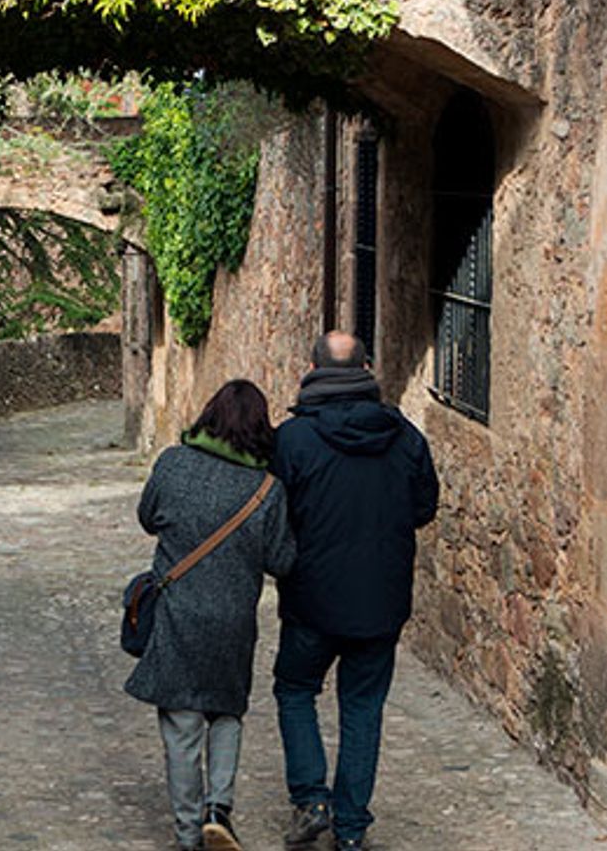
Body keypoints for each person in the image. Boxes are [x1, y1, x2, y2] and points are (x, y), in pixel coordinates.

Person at [270, 333, 439, 851]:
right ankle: (349, 828)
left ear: (311, 369)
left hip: (311, 600)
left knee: (295, 689)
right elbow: (423, 509)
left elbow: (275, 516)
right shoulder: (406, 437)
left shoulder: (292, 440)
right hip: (381, 602)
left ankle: (311, 797)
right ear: (367, 367)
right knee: (363, 708)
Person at [127, 380, 297, 851]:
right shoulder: (267, 491)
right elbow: (281, 561)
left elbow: (147, 516)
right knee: (226, 713)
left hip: (179, 615)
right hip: (233, 621)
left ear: (210, 416)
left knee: (182, 724)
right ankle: (218, 808)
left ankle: (187, 834)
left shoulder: (174, 464)